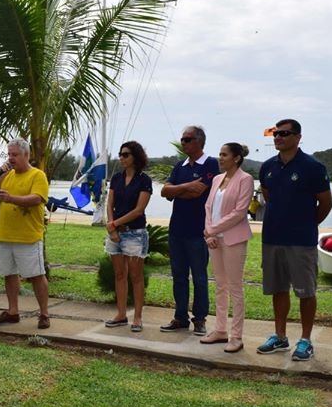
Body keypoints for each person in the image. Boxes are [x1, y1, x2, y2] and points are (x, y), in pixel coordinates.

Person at [256, 119, 332, 361]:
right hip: (272, 239)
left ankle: (305, 340)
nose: (278, 137)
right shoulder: (267, 167)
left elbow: (326, 203)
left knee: (305, 291)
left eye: (284, 134)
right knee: (278, 289)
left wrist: (308, 224)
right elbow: (268, 197)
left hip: (301, 241)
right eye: (276, 134)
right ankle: (280, 336)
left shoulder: (313, 167)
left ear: (298, 137)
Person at [160, 126, 220, 335]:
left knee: (200, 277)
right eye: (182, 139)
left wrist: (176, 190)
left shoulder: (211, 164)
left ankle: (200, 319)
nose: (183, 142)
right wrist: (183, 188)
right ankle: (180, 317)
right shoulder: (180, 166)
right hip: (177, 230)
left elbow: (198, 192)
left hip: (198, 231)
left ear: (199, 142)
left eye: (187, 139)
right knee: (178, 276)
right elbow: (164, 191)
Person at [0, 138, 51, 329]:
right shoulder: (7, 176)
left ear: (27, 155)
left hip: (28, 236)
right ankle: (12, 311)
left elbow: (37, 198)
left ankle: (44, 314)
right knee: (9, 274)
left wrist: (11, 199)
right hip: (6, 234)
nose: (11, 158)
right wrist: (0, 174)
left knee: (36, 275)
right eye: (9, 154)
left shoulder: (37, 175)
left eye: (15, 155)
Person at [200, 143, 254, 353]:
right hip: (214, 239)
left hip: (233, 239)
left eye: (224, 155)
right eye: (219, 154)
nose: (220, 158)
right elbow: (208, 207)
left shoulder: (246, 179)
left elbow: (240, 212)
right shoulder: (216, 179)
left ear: (236, 158)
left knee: (235, 287)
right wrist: (209, 233)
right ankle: (220, 330)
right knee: (220, 285)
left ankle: (236, 336)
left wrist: (212, 229)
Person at [103, 141, 152, 333]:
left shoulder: (144, 180)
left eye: (126, 155)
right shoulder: (116, 178)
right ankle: (121, 314)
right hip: (115, 233)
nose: (122, 158)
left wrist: (114, 224)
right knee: (119, 274)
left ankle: (137, 317)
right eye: (120, 154)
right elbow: (110, 203)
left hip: (135, 233)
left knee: (136, 276)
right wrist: (112, 227)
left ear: (135, 157)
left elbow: (139, 210)